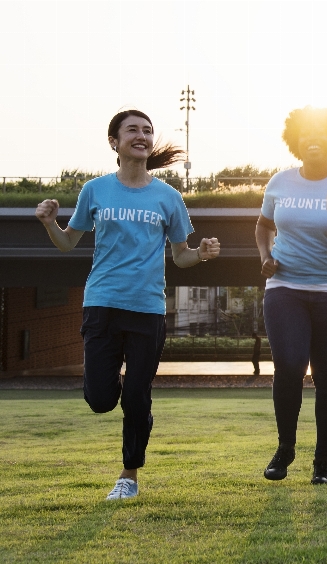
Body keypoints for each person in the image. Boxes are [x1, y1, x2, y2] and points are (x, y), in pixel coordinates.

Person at [35, 110, 221, 500]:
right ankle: (120, 386)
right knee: (101, 399)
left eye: (148, 131)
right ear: (115, 143)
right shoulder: (95, 190)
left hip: (147, 309)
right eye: (132, 130)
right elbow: (69, 242)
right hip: (102, 303)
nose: (142, 135)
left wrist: (200, 255)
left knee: (137, 396)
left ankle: (128, 475)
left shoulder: (169, 197)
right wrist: (51, 223)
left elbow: (181, 256)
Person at [256, 106, 327, 485]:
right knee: (289, 366)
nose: (313, 139)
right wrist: (266, 256)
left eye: (321, 133)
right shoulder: (280, 182)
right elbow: (263, 225)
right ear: (296, 141)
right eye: (306, 133)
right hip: (285, 288)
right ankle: (286, 447)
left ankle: (323, 460)